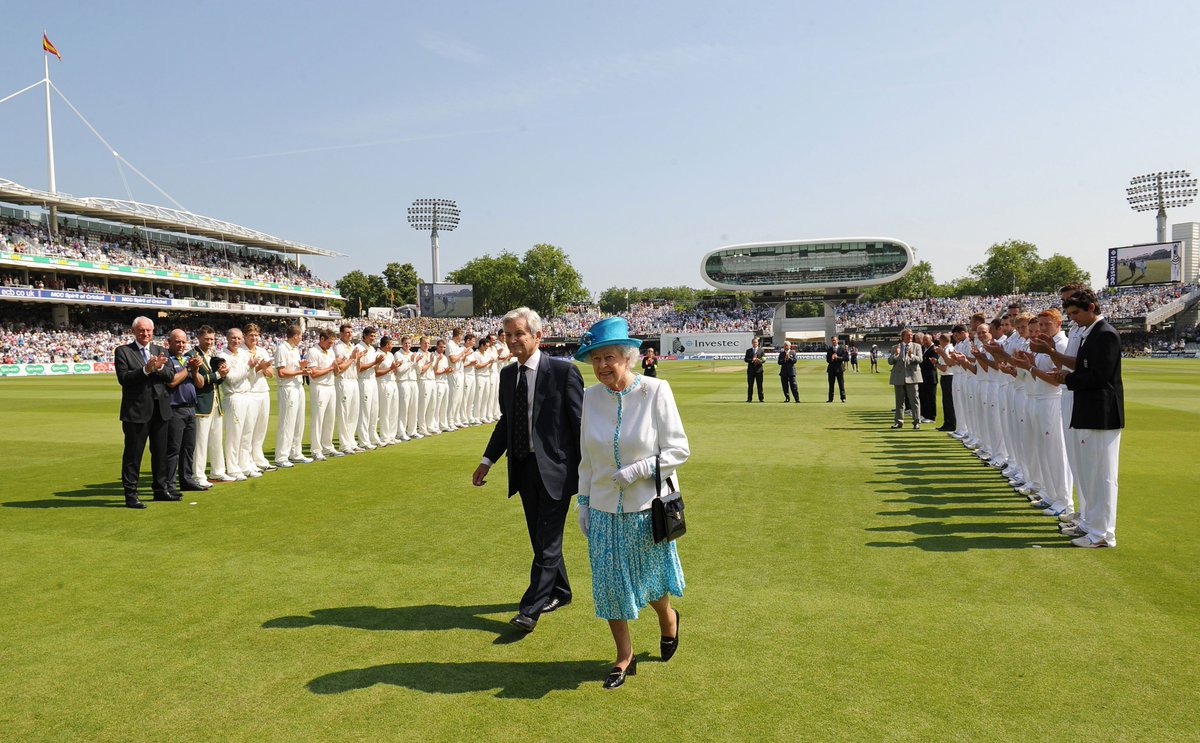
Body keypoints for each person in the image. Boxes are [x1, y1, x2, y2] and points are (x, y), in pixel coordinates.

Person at [574, 316, 687, 689]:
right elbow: (587, 458)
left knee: (651, 583)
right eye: (596, 359)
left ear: (628, 357)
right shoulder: (590, 397)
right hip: (604, 508)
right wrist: (584, 502)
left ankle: (668, 618)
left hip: (646, 507)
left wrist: (638, 469)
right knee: (609, 586)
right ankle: (624, 656)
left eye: (609, 357)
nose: (602, 366)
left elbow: (678, 449)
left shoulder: (655, 390)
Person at [471, 307, 584, 634]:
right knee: (541, 539)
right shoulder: (508, 375)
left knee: (548, 541)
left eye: (519, 333)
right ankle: (560, 592)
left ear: (537, 336)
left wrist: (589, 471)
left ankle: (530, 609)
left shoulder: (564, 373)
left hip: (558, 471)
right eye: (508, 335)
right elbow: (507, 422)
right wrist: (486, 460)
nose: (512, 340)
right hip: (522, 467)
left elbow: (579, 425)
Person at [1056, 289, 1124, 548]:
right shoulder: (1090, 333)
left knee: (1102, 475)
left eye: (1076, 313)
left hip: (1102, 412)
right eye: (1070, 314)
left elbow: (1100, 375)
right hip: (1088, 409)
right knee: (1088, 472)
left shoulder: (1105, 334)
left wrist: (1067, 378)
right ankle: (1090, 524)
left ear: (1091, 307)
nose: (1073, 318)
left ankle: (1103, 534)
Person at [115, 317, 177, 508]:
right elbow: (124, 378)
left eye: (149, 330)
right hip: (137, 412)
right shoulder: (123, 351)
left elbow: (170, 376)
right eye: (142, 330)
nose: (146, 334)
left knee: (160, 453)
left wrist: (157, 368)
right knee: (133, 455)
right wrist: (146, 369)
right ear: (134, 331)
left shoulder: (161, 350)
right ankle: (131, 494)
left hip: (160, 410)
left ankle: (160, 490)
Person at [163, 328, 208, 495]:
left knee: (189, 448)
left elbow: (200, 384)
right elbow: (172, 382)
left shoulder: (189, 359)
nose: (181, 345)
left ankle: (186, 480)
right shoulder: (167, 359)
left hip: (190, 408)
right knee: (173, 449)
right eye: (177, 341)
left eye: (183, 342)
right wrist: (188, 370)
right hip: (175, 409)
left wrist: (195, 371)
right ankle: (169, 484)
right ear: (169, 342)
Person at [188, 325, 231, 485]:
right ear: (199, 338)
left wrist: (222, 374)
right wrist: (218, 375)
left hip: (215, 403)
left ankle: (218, 471)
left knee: (216, 439)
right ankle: (198, 476)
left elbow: (216, 381)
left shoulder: (211, 356)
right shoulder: (192, 355)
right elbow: (198, 381)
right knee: (200, 441)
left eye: (212, 339)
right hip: (201, 404)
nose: (209, 342)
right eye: (206, 339)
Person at [274, 324, 312, 467]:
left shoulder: (295, 349)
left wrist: (301, 368)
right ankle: (281, 457)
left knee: (298, 422)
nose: (301, 338)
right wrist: (300, 372)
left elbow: (292, 369)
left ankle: (296, 453)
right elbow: (281, 373)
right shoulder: (282, 348)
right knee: (287, 422)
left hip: (298, 386)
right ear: (295, 336)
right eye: (300, 335)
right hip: (288, 388)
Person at [220, 327, 254, 480]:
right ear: (227, 338)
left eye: (239, 338)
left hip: (247, 395)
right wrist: (249, 367)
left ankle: (245, 465)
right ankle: (233, 468)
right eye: (233, 338)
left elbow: (250, 377)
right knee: (234, 435)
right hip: (233, 397)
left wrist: (251, 368)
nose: (236, 341)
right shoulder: (222, 356)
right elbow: (231, 379)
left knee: (247, 433)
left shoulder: (243, 353)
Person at [243, 323, 275, 474]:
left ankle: (259, 457)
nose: (254, 338)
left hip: (263, 391)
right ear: (245, 336)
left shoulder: (262, 350)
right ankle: (247, 460)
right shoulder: (242, 351)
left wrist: (265, 367)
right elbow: (246, 374)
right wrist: (259, 367)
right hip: (250, 392)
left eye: (256, 335)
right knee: (249, 428)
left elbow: (270, 373)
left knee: (261, 428)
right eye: (251, 335)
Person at [306, 328, 341, 460]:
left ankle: (328, 446)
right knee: (318, 419)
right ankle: (316, 450)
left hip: (331, 386)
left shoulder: (330, 351)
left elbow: (336, 372)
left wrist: (337, 365)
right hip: (319, 387)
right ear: (321, 339)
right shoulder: (313, 351)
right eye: (329, 342)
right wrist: (332, 367)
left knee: (330, 418)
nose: (330, 345)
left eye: (332, 343)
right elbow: (314, 373)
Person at [333, 324, 363, 454]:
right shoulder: (338, 347)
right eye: (347, 332)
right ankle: (344, 444)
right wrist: (352, 358)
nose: (349, 334)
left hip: (354, 380)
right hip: (343, 381)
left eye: (351, 332)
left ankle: (351, 442)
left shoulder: (352, 347)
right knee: (344, 414)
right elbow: (340, 368)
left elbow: (358, 368)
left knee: (353, 413)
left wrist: (358, 358)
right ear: (341, 334)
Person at [888, 328, 923, 429]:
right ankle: (899, 421)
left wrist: (911, 355)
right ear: (903, 336)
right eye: (908, 335)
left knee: (914, 400)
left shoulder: (917, 347)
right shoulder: (896, 347)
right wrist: (896, 354)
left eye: (912, 335)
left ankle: (916, 421)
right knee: (899, 401)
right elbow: (890, 361)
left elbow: (920, 359)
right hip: (899, 377)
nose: (911, 337)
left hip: (912, 377)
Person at [356, 327, 384, 449]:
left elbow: (375, 367)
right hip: (364, 381)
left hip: (373, 381)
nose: (373, 338)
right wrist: (374, 363)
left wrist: (378, 362)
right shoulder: (359, 348)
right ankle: (364, 440)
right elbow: (360, 368)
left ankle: (373, 437)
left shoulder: (372, 349)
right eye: (371, 336)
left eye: (374, 336)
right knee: (365, 412)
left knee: (374, 411)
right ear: (365, 336)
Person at [934, 332, 957, 433]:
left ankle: (950, 423)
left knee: (948, 402)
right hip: (947, 377)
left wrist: (935, 364)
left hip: (948, 377)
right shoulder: (947, 349)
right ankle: (948, 422)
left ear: (942, 341)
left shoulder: (947, 350)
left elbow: (944, 368)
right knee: (946, 401)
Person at [918, 332, 939, 424]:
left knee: (930, 397)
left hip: (930, 377)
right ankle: (924, 414)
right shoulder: (923, 348)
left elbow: (932, 363)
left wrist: (922, 361)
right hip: (922, 376)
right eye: (924, 340)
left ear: (931, 339)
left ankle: (931, 416)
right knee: (923, 396)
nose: (925, 341)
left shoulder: (934, 349)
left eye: (926, 340)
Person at [744, 337, 765, 402]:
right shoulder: (748, 351)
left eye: (756, 342)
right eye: (753, 342)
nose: (755, 343)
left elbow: (764, 359)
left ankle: (761, 399)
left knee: (760, 385)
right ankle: (749, 398)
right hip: (751, 370)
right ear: (752, 343)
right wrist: (752, 360)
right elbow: (746, 359)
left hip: (759, 370)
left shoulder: (761, 350)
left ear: (758, 343)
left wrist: (759, 361)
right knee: (750, 385)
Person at [825, 336, 846, 403]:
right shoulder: (829, 349)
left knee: (841, 384)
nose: (833, 341)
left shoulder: (842, 349)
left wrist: (838, 358)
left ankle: (843, 398)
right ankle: (830, 399)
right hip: (831, 369)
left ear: (837, 341)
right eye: (832, 340)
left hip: (839, 369)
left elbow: (846, 358)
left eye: (834, 340)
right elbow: (828, 360)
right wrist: (831, 358)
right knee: (831, 385)